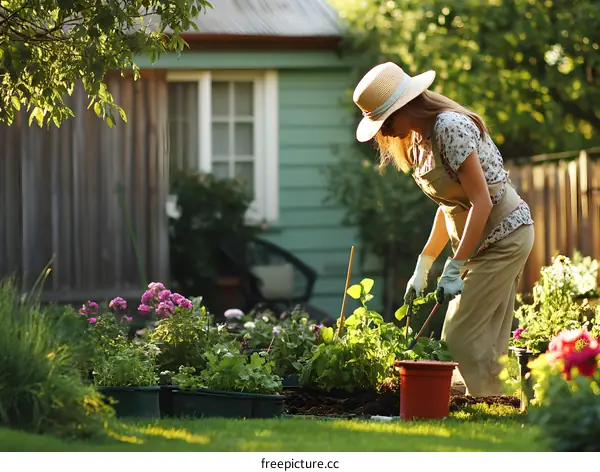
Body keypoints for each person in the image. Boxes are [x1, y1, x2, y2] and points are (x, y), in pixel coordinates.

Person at [351, 61, 535, 396]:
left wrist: (455, 266)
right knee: (485, 334)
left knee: (458, 335)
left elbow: (482, 202)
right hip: (478, 243)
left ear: (406, 105)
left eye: (386, 121)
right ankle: (492, 402)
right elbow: (449, 206)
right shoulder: (419, 141)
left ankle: (488, 401)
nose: (385, 133)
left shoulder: (449, 127)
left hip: (505, 235)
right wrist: (425, 264)